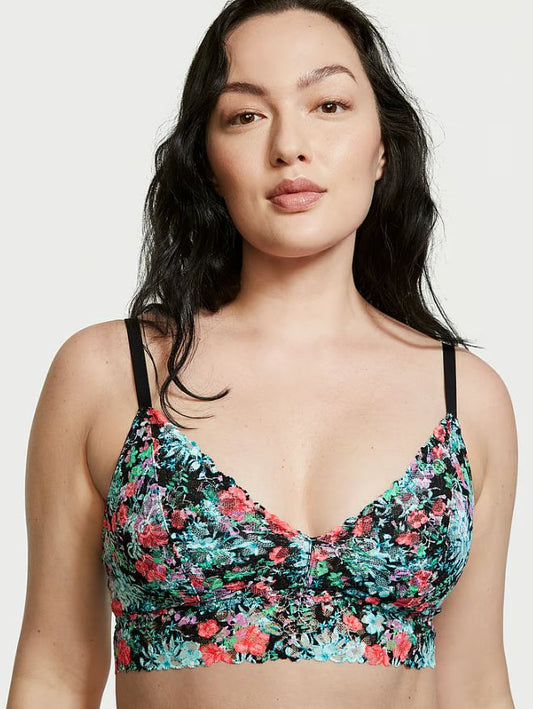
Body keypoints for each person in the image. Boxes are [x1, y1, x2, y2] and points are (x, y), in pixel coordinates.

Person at [7, 1, 517, 708]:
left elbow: (474, 683)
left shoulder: (465, 395)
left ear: (382, 148)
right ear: (208, 162)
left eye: (329, 105)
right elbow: (54, 675)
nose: (289, 146)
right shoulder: (111, 374)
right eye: (245, 115)